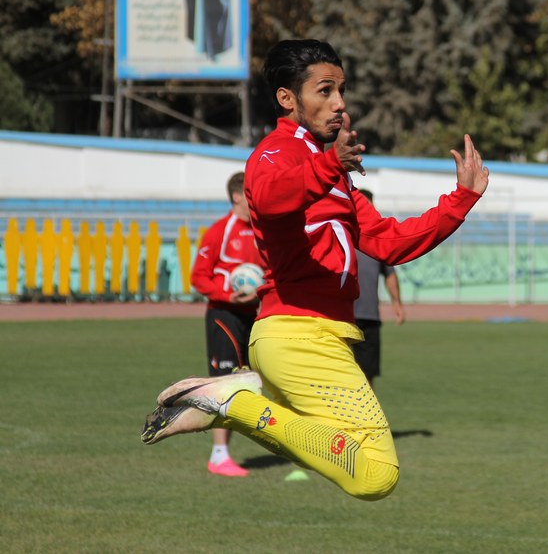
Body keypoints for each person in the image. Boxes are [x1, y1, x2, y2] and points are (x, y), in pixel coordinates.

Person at [142, 38, 489, 502]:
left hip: (315, 335)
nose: (340, 103)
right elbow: (268, 199)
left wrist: (460, 201)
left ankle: (234, 402)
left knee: (318, 445)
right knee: (376, 475)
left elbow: (387, 241)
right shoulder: (274, 153)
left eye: (341, 90)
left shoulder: (332, 168)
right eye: (325, 91)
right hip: (298, 333)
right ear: (288, 98)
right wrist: (328, 166)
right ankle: (233, 402)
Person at [188, 171, 263, 475]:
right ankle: (219, 455)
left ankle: (227, 452)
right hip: (224, 315)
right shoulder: (221, 231)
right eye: (250, 192)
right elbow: (198, 277)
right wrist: (228, 296)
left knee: (247, 381)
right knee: (224, 383)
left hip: (252, 316)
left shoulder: (262, 233)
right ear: (236, 196)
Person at [353, 189, 406, 388]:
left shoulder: (378, 241)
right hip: (342, 316)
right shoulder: (342, 234)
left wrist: (397, 303)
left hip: (369, 317)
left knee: (368, 374)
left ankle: (366, 418)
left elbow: (390, 274)